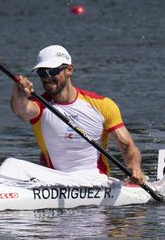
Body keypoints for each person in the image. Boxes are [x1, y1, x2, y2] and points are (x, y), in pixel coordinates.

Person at [10, 45, 146, 183]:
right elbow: (21, 111)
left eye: (52, 71)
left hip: (94, 180)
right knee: (11, 165)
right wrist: (19, 94)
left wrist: (133, 166)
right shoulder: (40, 104)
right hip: (53, 181)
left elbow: (127, 145)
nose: (47, 78)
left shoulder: (102, 105)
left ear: (69, 70)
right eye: (42, 73)